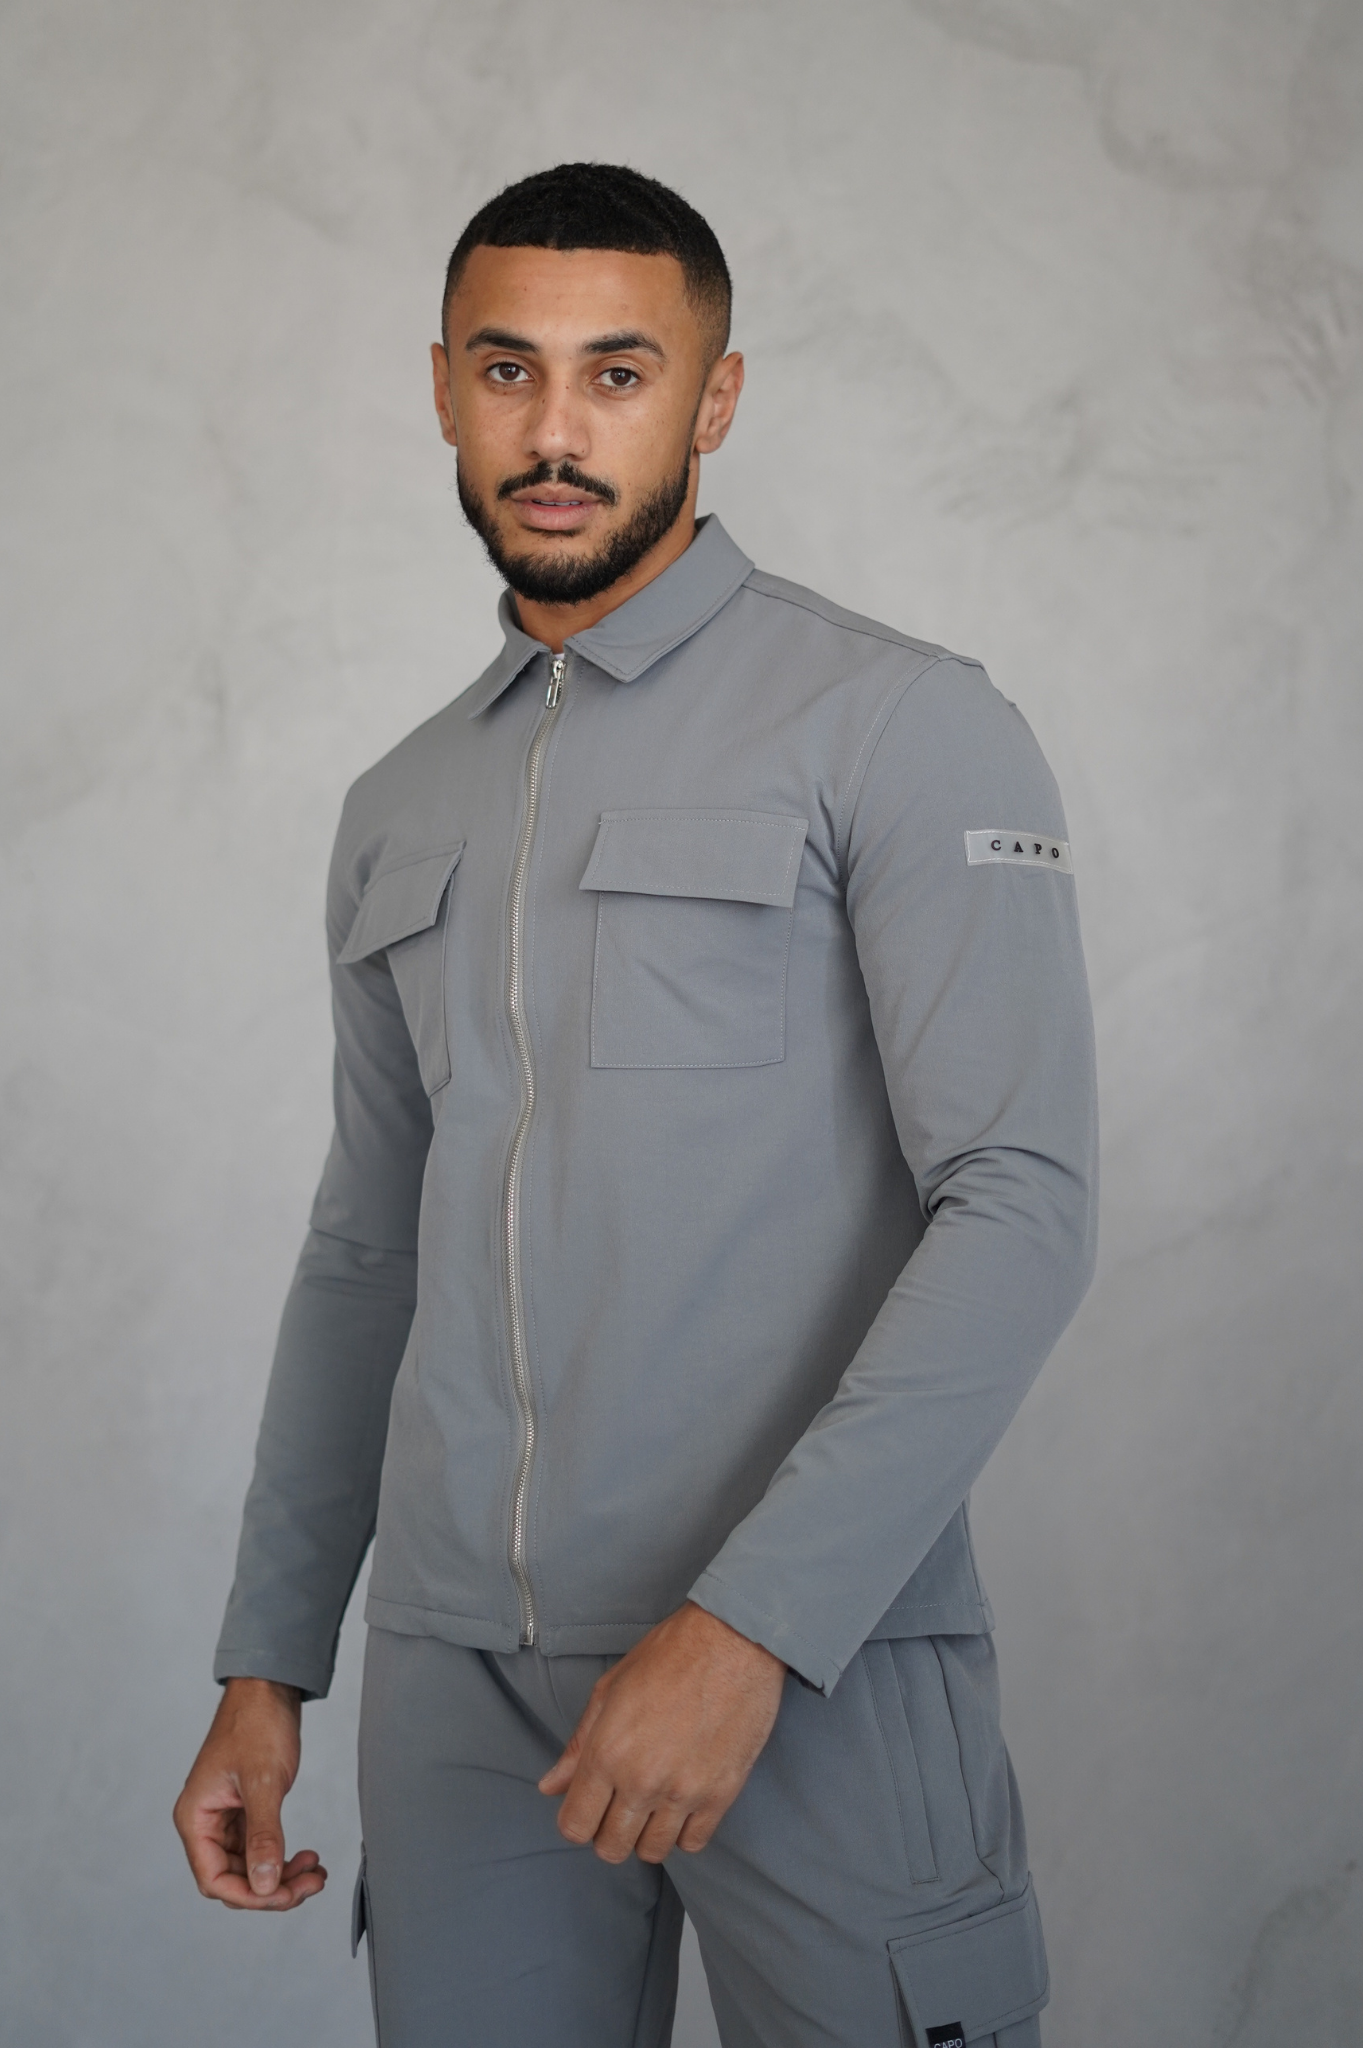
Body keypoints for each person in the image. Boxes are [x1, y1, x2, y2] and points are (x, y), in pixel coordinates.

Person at [174, 162, 1097, 2048]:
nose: (556, 432)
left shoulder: (900, 723)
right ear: (443, 389)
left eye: (618, 372)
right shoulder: (398, 802)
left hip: (811, 1658)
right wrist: (272, 1659)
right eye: (508, 370)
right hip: (457, 1688)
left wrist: (751, 1626)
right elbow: (367, 1252)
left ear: (715, 397)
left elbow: (1019, 1203)